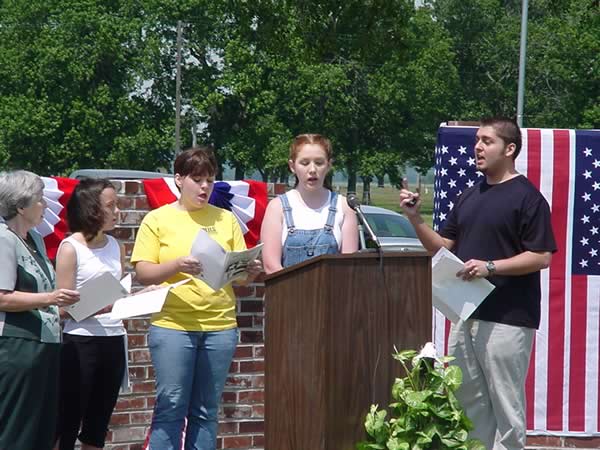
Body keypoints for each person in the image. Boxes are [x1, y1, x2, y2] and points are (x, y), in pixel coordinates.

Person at [399, 117, 557, 450]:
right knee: (469, 408)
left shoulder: (528, 198)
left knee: (506, 408)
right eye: (477, 141)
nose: (478, 147)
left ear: (509, 149)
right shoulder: (470, 195)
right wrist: (415, 220)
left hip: (508, 319)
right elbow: (443, 247)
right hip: (466, 315)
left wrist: (490, 267)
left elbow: (541, 256)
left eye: (487, 141)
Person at [131, 146, 262, 450]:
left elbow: (238, 278)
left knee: (206, 411)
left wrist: (249, 271)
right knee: (170, 408)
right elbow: (144, 273)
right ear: (179, 179)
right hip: (173, 325)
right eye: (197, 179)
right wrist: (177, 265)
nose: (205, 187)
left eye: (210, 180)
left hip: (220, 326)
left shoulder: (226, 219)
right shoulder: (157, 219)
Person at [0, 170, 79, 450]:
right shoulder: (4, 239)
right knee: (17, 431)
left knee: (42, 430)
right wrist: (51, 298)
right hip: (18, 347)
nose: (45, 205)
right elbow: (2, 298)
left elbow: (47, 292)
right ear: (21, 206)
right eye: (40, 199)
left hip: (46, 345)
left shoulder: (36, 239)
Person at [53, 178, 128, 450]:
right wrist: (97, 304)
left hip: (113, 338)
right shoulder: (70, 248)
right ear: (91, 208)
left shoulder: (116, 246)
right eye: (110, 205)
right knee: (67, 421)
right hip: (81, 341)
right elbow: (60, 307)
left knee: (98, 425)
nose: (117, 211)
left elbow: (119, 293)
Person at [261, 133, 358, 274]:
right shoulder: (277, 207)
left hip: (333, 288)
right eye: (305, 163)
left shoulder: (344, 207)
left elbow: (349, 267)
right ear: (292, 166)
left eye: (319, 163)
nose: (312, 170)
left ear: (329, 165)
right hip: (287, 288)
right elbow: (271, 267)